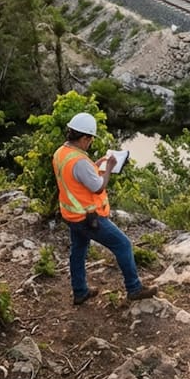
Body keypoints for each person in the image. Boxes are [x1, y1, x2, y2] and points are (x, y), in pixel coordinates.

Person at [53, 111, 156, 305]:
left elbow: (76, 177)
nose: (90, 142)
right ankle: (134, 288)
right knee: (123, 244)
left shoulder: (62, 153)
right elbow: (98, 186)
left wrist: (96, 165)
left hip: (71, 215)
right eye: (90, 139)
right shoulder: (79, 161)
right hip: (88, 218)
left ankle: (80, 291)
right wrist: (108, 168)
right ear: (84, 137)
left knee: (78, 251)